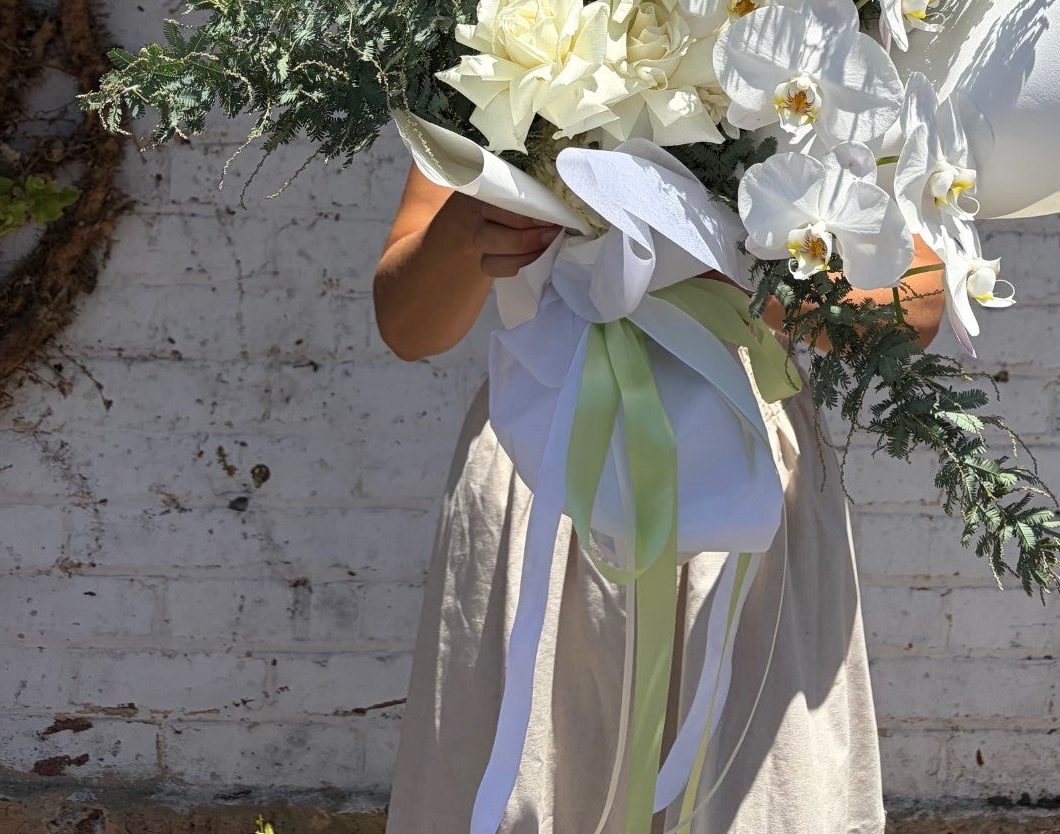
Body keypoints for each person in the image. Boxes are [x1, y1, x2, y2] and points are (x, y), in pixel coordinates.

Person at [375, 162, 946, 834]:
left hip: (742, 473)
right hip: (549, 468)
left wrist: (729, 251)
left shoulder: (821, 72)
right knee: (543, 767)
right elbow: (409, 326)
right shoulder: (510, 61)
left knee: (753, 785)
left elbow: (917, 303)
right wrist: (473, 229)